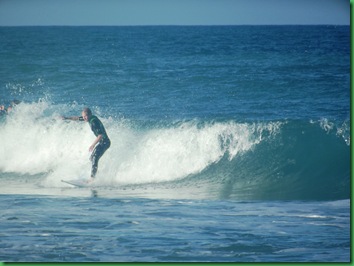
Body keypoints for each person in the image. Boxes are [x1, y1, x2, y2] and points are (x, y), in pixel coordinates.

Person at [62, 107, 111, 182]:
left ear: (90, 115)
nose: (84, 118)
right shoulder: (89, 118)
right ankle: (96, 174)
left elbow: (100, 135)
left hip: (105, 142)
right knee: (92, 158)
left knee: (95, 158)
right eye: (83, 116)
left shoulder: (94, 122)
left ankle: (92, 178)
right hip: (103, 142)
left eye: (86, 116)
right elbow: (77, 118)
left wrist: (93, 145)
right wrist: (66, 118)